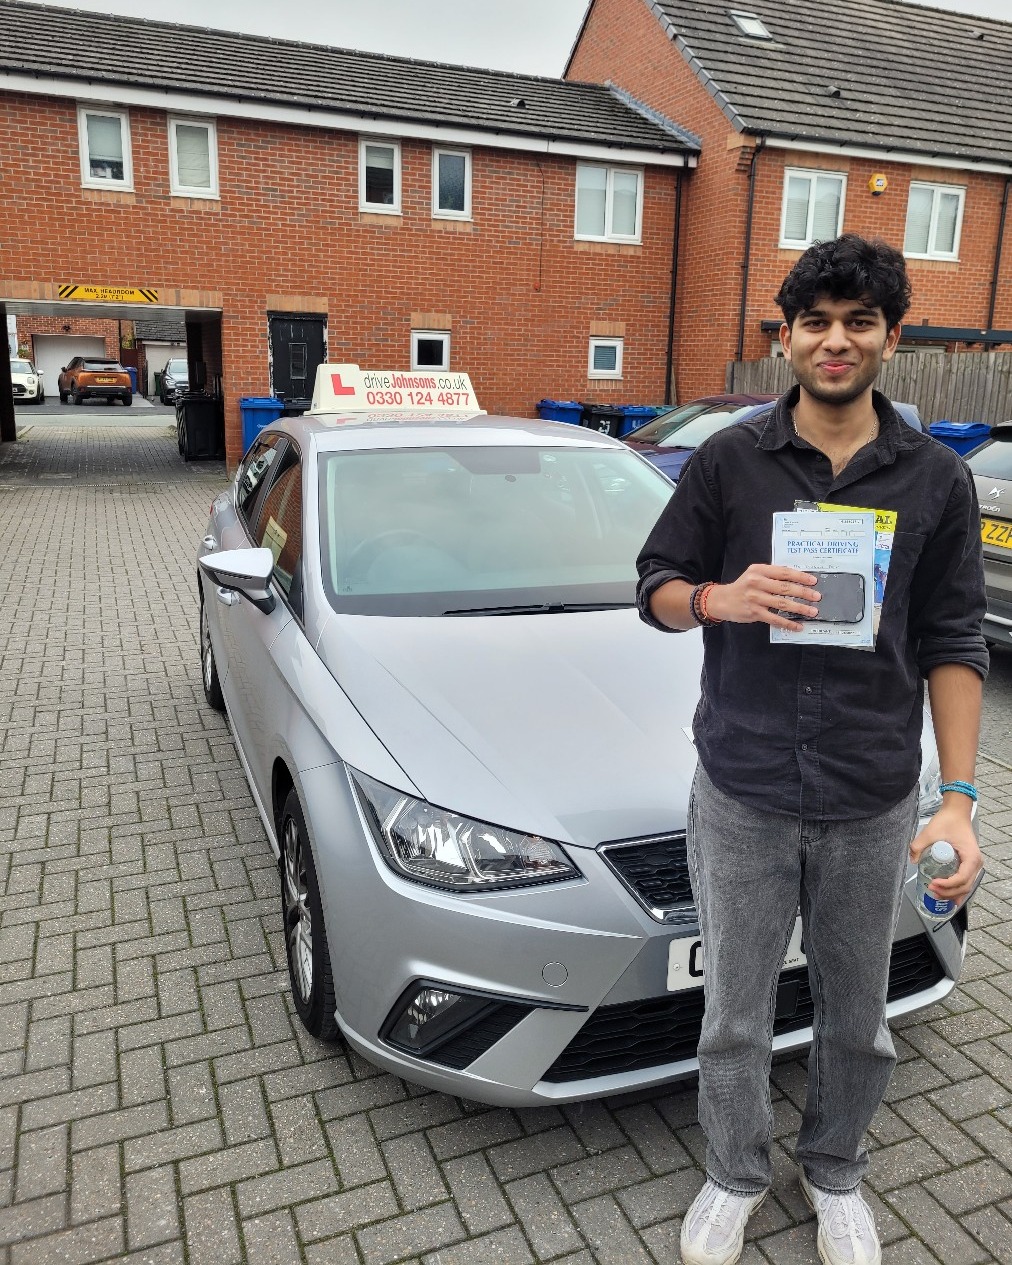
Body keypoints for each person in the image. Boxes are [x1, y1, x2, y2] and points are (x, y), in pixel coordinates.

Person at [636, 234, 987, 1265]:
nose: (835, 341)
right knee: (735, 1013)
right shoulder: (727, 462)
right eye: (816, 322)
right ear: (785, 337)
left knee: (856, 1014)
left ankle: (834, 1170)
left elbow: (954, 640)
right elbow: (652, 584)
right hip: (741, 788)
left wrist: (957, 797)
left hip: (871, 794)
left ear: (889, 337)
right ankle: (734, 1170)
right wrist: (716, 596)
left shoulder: (935, 481)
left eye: (858, 322)